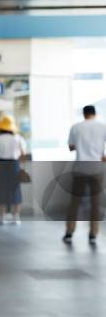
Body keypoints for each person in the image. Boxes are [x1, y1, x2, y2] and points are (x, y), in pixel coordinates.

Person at [63, 105, 106, 245]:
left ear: (84, 114)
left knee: (75, 201)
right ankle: (93, 234)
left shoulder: (76, 127)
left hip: (80, 167)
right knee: (96, 202)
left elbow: (71, 147)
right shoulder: (102, 127)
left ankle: (69, 232)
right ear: (95, 114)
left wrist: (82, 145)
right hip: (97, 167)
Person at [0, 115, 27, 225]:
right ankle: (16, 217)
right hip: (14, 165)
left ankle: (3, 217)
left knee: (1, 189)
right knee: (16, 190)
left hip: (2, 165)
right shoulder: (18, 138)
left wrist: (0, 152)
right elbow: (23, 154)